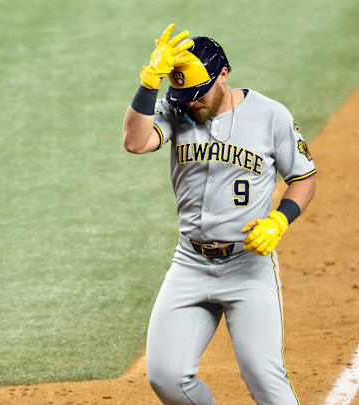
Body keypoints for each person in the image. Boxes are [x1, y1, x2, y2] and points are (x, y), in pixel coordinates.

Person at [123, 24, 316, 404]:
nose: (191, 102)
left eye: (198, 93)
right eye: (183, 95)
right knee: (167, 377)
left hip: (249, 265)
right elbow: (135, 141)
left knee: (264, 377)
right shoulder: (176, 110)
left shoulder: (270, 115)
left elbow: (304, 178)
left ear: (223, 74)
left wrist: (280, 219)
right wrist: (149, 84)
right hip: (189, 263)